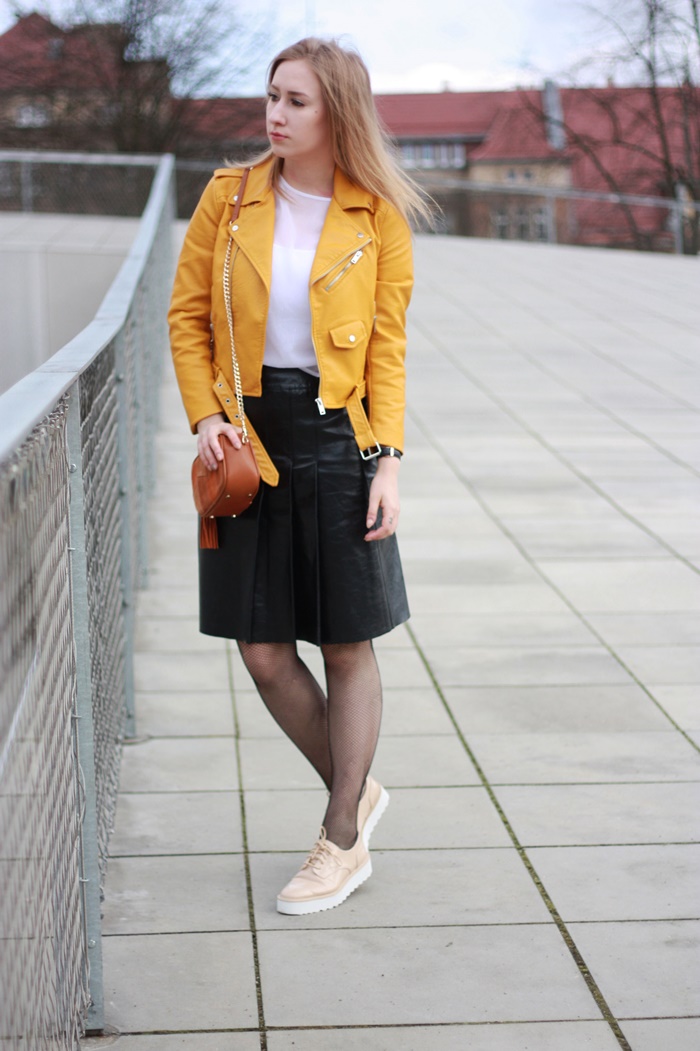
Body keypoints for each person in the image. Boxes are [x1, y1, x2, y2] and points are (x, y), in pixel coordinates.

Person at [168, 37, 431, 916]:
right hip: (245, 440)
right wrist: (205, 416)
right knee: (263, 648)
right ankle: (356, 786)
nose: (275, 113)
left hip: (338, 439)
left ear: (336, 114)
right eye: (272, 95)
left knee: (346, 640)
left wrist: (387, 461)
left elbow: (387, 351)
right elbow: (187, 317)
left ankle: (341, 835)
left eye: (296, 101)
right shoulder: (228, 198)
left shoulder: (378, 218)